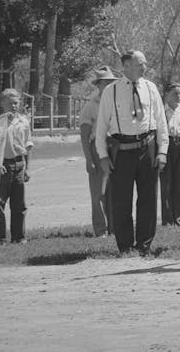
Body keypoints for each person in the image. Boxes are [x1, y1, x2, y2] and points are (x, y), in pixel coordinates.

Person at [95, 50, 169, 255]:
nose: (144, 67)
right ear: (126, 65)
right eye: (140, 64)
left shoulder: (150, 88)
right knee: (121, 201)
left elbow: (161, 122)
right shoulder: (112, 91)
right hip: (122, 151)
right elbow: (101, 126)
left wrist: (163, 151)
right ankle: (125, 246)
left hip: (148, 148)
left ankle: (144, 245)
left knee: (148, 200)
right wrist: (102, 155)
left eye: (144, 64)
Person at [78, 66, 116, 237]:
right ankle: (101, 230)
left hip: (116, 146)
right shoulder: (90, 106)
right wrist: (89, 159)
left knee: (115, 190)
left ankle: (115, 228)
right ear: (98, 85)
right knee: (98, 192)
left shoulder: (118, 101)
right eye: (105, 82)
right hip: (96, 148)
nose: (108, 85)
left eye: (111, 82)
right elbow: (85, 135)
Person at [0, 88, 33, 245]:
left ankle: (19, 237)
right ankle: (0, 238)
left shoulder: (24, 122)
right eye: (10, 103)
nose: (14, 106)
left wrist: (27, 167)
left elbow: (28, 145)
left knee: (19, 204)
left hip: (19, 164)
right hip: (2, 165)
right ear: (2, 104)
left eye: (16, 103)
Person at [159, 82, 180, 226]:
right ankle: (167, 220)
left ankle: (179, 219)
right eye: (175, 93)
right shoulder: (161, 110)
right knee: (166, 184)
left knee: (179, 185)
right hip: (167, 146)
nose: (178, 96)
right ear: (167, 95)